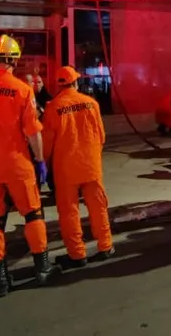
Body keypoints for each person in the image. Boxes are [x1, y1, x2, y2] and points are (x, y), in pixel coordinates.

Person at [0, 34, 56, 296]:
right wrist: (40, 160)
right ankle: (43, 268)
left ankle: (1, 280)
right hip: (17, 164)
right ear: (15, 60)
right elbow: (32, 132)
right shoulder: (22, 90)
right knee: (33, 214)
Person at [42, 66, 115, 269]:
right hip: (91, 165)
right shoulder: (91, 103)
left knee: (68, 211)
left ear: (58, 84)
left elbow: (47, 143)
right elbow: (101, 136)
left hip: (66, 168)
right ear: (75, 82)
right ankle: (105, 246)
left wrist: (43, 162)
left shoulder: (53, 107)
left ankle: (77, 254)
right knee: (98, 206)